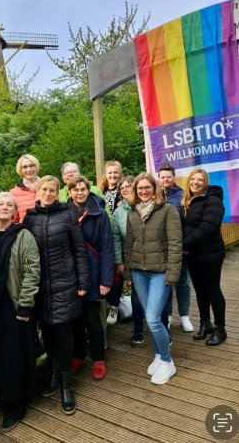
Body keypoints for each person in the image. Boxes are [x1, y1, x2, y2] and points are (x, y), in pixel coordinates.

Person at [23, 176, 89, 415]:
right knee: (47, 333)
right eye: (44, 189)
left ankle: (66, 385)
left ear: (58, 192)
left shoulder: (67, 214)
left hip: (64, 282)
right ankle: (52, 373)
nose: (48, 193)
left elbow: (79, 250)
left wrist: (83, 282)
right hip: (40, 286)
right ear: (38, 192)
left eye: (52, 190)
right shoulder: (30, 218)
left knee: (63, 334)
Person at [0, 192, 40, 432]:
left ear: (15, 211)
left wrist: (25, 304)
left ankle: (15, 404)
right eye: (0, 204)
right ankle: (3, 396)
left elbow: (32, 271)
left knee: (13, 355)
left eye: (9, 204)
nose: (4, 207)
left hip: (13, 304)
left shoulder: (23, 235)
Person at [124, 173, 182, 385]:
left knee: (153, 319)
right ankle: (159, 354)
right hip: (139, 272)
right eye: (140, 188)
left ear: (154, 188)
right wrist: (128, 272)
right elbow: (128, 245)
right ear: (135, 190)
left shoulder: (167, 209)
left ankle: (168, 361)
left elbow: (176, 243)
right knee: (152, 319)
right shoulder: (132, 212)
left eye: (148, 187)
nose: (144, 191)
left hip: (160, 273)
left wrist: (172, 273)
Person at [67, 176, 113, 381]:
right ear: (69, 192)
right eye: (75, 189)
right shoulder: (63, 213)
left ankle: (98, 358)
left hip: (93, 272)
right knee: (75, 318)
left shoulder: (99, 214)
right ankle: (78, 355)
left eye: (82, 189)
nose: (79, 192)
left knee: (93, 318)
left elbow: (107, 247)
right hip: (71, 273)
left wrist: (106, 280)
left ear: (88, 190)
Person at [180, 168, 227, 346]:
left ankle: (220, 329)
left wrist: (185, 245)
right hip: (194, 255)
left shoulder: (213, 199)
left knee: (213, 290)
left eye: (200, 180)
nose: (196, 182)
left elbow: (207, 227)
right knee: (200, 291)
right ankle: (205, 323)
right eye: (193, 179)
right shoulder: (189, 200)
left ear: (205, 182)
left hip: (211, 254)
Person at [158, 163, 193, 332]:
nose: (166, 179)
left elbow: (187, 223)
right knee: (166, 281)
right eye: (163, 177)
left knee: (182, 281)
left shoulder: (182, 195)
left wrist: (184, 244)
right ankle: (169, 315)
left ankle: (184, 315)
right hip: (160, 248)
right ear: (159, 178)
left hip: (179, 246)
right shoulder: (155, 195)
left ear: (174, 177)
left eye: (169, 176)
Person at [111, 176, 146, 343]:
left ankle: (162, 326)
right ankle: (138, 329)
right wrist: (119, 262)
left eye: (128, 186)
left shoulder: (146, 206)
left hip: (152, 258)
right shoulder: (118, 213)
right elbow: (116, 239)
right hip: (131, 259)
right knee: (136, 296)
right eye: (121, 187)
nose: (124, 189)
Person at [99, 161, 123, 326]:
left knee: (118, 273)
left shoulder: (124, 191)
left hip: (120, 236)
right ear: (105, 175)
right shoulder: (100, 192)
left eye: (115, 172)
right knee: (107, 270)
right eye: (110, 173)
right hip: (103, 236)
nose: (113, 175)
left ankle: (114, 305)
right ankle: (108, 303)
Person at [10, 154, 40, 222]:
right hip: (25, 231)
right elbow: (12, 219)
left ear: (36, 167)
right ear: (20, 170)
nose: (28, 170)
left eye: (31, 165)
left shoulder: (47, 187)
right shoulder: (14, 193)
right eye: (25, 167)